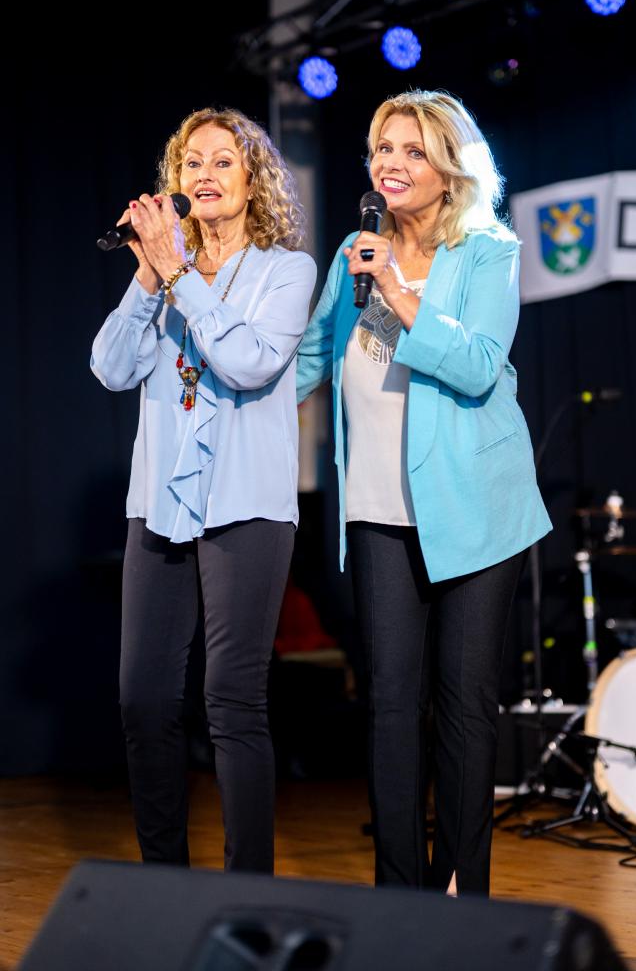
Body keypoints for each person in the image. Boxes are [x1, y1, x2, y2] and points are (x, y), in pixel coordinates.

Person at [296, 90, 551, 896]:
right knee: (389, 705)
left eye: (412, 150)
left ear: (448, 167)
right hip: (377, 509)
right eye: (383, 148)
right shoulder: (355, 249)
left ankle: (460, 892)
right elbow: (310, 357)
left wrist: (398, 291)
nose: (392, 164)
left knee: (464, 704)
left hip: (475, 505)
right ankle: (398, 897)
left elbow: (476, 366)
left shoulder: (487, 251)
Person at [91, 107, 316, 872]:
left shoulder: (286, 270)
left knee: (231, 699)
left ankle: (246, 886)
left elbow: (249, 364)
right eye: (192, 163)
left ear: (254, 180)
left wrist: (181, 276)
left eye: (223, 161)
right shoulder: (164, 274)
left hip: (246, 504)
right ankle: (166, 886)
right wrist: (148, 275)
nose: (205, 174)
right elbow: (111, 369)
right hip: (159, 503)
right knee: (143, 700)